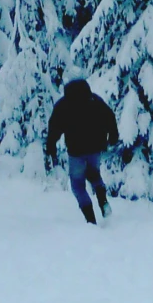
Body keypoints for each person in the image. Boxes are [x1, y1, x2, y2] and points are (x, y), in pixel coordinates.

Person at [43, 75, 119, 224]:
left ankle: (91, 221)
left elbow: (54, 128)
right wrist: (113, 136)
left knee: (78, 185)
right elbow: (109, 116)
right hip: (96, 148)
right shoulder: (94, 100)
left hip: (76, 152)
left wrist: (51, 146)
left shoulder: (63, 105)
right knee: (94, 175)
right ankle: (103, 202)